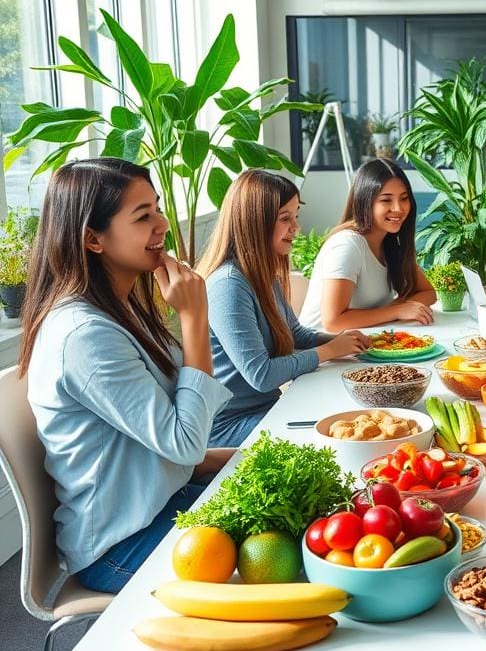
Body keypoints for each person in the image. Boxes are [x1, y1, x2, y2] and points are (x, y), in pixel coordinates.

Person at [18, 158, 234, 594]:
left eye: (156, 208)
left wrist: (239, 460)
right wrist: (195, 317)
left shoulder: (120, 309)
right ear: (93, 239)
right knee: (288, 553)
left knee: (308, 513)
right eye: (143, 216)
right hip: (121, 546)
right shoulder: (85, 336)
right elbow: (183, 442)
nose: (163, 224)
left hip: (162, 506)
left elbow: (167, 448)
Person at [198, 170, 370, 447]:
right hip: (229, 426)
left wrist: (343, 341)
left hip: (266, 408)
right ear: (256, 222)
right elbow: (262, 375)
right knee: (339, 438)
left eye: (295, 216)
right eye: (285, 218)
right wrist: (329, 351)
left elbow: (295, 334)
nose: (296, 227)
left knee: (353, 419)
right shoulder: (227, 285)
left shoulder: (263, 274)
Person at [299, 158, 437, 330]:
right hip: (322, 349)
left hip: (364, 341)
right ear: (365, 202)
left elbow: (428, 293)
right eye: (386, 200)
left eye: (404, 198)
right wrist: (397, 310)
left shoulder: (390, 243)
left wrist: (399, 307)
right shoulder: (347, 245)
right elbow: (333, 322)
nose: (398, 208)